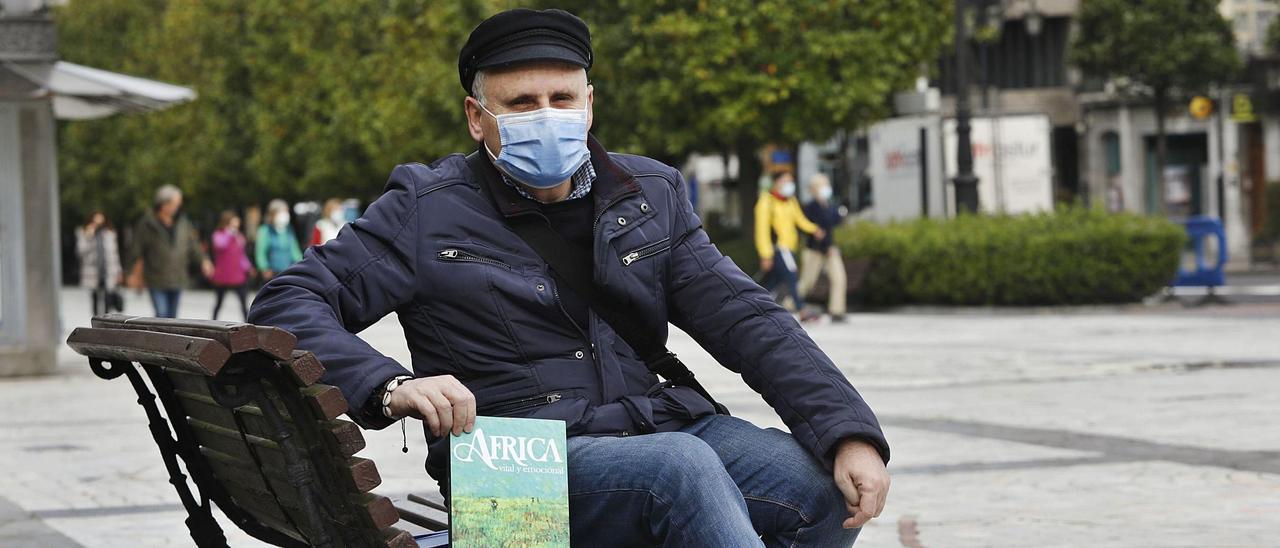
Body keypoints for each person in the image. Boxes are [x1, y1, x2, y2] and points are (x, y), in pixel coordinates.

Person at [247, 9, 888, 547]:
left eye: (562, 98)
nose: (545, 115)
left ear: (589, 105)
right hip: (506, 464)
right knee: (682, 469)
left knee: (818, 489)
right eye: (521, 103)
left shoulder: (650, 193)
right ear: (477, 117)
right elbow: (286, 301)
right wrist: (390, 386)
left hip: (651, 423)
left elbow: (747, 317)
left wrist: (848, 431)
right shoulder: (426, 206)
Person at [126, 185, 213, 318]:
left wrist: (204, 261)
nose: (178, 206)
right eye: (175, 203)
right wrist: (133, 273)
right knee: (161, 315)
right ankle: (160, 338)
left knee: (172, 317)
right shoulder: (147, 224)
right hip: (156, 278)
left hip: (177, 277)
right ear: (164, 204)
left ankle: (167, 338)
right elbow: (137, 249)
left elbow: (193, 246)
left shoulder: (183, 223)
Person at [755, 171, 824, 316]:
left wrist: (814, 229)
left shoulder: (790, 201)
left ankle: (757, 305)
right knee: (792, 274)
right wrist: (765, 254)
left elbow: (800, 220)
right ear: (777, 182)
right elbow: (761, 231)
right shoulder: (766, 201)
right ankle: (801, 309)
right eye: (786, 181)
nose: (789, 185)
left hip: (789, 248)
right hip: (779, 248)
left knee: (775, 280)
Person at [798, 173, 849, 321]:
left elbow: (835, 222)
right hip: (815, 250)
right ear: (815, 188)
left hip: (830, 249)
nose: (827, 188)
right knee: (807, 282)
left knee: (839, 278)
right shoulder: (811, 207)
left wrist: (842, 210)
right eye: (823, 185)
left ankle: (837, 311)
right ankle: (790, 304)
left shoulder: (828, 205)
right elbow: (810, 228)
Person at [75, 211, 123, 316]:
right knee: (95, 297)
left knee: (108, 297)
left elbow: (115, 254)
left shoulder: (110, 233)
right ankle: (96, 318)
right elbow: (80, 251)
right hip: (93, 271)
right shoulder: (84, 233)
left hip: (108, 270)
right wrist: (89, 236)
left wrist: (119, 271)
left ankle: (106, 319)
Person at [210, 210, 254, 320]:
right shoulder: (218, 234)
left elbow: (241, 255)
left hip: (238, 274)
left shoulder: (239, 236)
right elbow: (220, 245)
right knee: (219, 302)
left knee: (243, 303)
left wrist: (248, 267)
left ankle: (248, 322)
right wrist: (229, 234)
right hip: (223, 274)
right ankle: (214, 321)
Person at [255, 199, 302, 281]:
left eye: (286, 212)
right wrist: (264, 268)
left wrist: (301, 264)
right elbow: (260, 252)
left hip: (289, 271)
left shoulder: (289, 229)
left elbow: (295, 251)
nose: (284, 215)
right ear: (272, 214)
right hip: (272, 273)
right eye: (280, 212)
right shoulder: (265, 230)